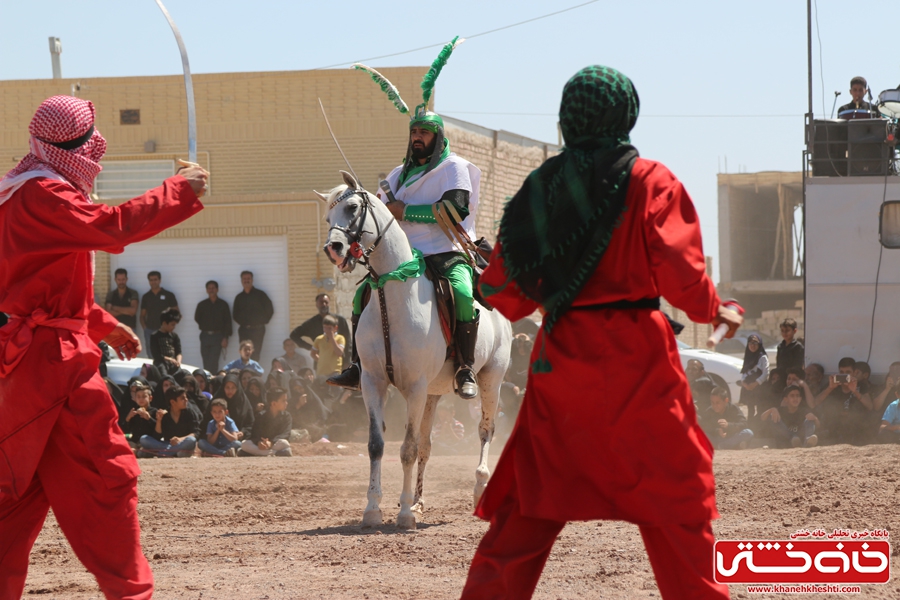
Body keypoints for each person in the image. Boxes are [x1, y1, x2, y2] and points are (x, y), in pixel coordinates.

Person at [460, 66, 740, 600]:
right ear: (626, 114)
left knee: (527, 512)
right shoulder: (652, 181)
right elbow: (684, 279)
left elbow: (502, 295)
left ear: (566, 118)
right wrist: (717, 309)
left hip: (561, 361)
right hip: (640, 361)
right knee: (677, 505)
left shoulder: (540, 188)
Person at [0, 94, 207, 599]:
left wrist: (101, 322)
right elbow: (110, 228)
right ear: (79, 146)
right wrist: (180, 190)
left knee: (10, 502)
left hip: (16, 374)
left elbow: (32, 285)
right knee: (107, 483)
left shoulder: (12, 193)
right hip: (55, 370)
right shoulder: (44, 195)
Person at [332, 39, 482, 399]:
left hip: (445, 251)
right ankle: (356, 366)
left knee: (462, 294)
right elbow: (377, 220)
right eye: (414, 132)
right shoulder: (398, 174)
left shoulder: (454, 168)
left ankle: (464, 367)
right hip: (406, 257)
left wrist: (405, 211)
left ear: (438, 137)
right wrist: (354, 247)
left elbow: (455, 209)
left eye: (424, 132)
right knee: (360, 297)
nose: (417, 137)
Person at [139, 385, 199, 458]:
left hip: (183, 443)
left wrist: (180, 439)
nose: (186, 400)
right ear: (173, 402)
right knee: (144, 439)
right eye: (182, 398)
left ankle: (164, 453)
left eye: (186, 397)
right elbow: (157, 436)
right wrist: (159, 420)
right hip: (167, 444)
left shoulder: (189, 412)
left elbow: (195, 433)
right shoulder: (165, 414)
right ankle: (171, 452)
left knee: (191, 440)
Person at [290, 293, 351, 364]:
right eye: (321, 302)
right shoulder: (312, 323)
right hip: (321, 362)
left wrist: (348, 360)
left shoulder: (340, 320)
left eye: (326, 302)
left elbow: (348, 341)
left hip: (339, 362)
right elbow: (294, 335)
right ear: (316, 305)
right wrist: (311, 348)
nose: (324, 304)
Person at [232, 271, 273, 362]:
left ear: (252, 280)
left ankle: (254, 375)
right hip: (244, 330)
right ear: (241, 281)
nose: (246, 281)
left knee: (255, 354)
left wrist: (262, 321)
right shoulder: (239, 297)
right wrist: (244, 323)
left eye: (248, 279)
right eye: (244, 279)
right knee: (244, 354)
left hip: (258, 330)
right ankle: (245, 375)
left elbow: (270, 309)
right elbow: (235, 314)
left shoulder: (260, 295)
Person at [194, 280, 232, 374]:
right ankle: (206, 381)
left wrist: (225, 337)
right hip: (205, 336)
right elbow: (197, 318)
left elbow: (228, 322)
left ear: (217, 289)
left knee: (213, 362)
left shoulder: (223, 305)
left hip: (217, 336)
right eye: (209, 288)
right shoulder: (202, 305)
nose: (211, 290)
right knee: (206, 362)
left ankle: (213, 382)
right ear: (206, 290)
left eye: (213, 288)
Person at [241, 388, 293, 457]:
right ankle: (275, 453)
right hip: (262, 446)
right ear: (274, 403)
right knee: (244, 444)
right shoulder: (261, 416)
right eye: (284, 401)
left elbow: (285, 434)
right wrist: (259, 442)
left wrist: (271, 442)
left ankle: (256, 453)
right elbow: (255, 434)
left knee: (284, 443)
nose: (286, 403)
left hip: (275, 444)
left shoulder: (286, 416)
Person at [203, 372, 255, 441]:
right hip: (216, 439)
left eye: (233, 388)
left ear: (237, 388)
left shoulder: (243, 403)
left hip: (237, 440)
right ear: (223, 388)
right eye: (227, 387)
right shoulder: (217, 402)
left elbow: (250, 423)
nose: (230, 391)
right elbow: (206, 421)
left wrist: (243, 432)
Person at [140, 271, 178, 356]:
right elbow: (142, 315)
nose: (153, 282)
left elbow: (176, 313)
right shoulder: (146, 297)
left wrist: (170, 327)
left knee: (167, 354)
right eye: (151, 280)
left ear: (160, 280)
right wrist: (145, 328)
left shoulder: (168, 295)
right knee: (151, 354)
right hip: (150, 331)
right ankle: (152, 369)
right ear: (149, 281)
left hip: (165, 330)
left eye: (155, 279)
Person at [737, 334, 768, 423]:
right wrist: (744, 383)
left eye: (755, 343)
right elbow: (744, 372)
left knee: (759, 407)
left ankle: (759, 427)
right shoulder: (747, 357)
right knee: (750, 408)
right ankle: (750, 425)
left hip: (759, 387)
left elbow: (766, 373)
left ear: (760, 344)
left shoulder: (762, 357)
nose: (752, 345)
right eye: (750, 343)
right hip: (748, 387)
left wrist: (755, 383)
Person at [121, 381, 157, 454]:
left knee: (142, 452)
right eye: (138, 397)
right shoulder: (134, 411)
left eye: (144, 396)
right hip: (134, 442)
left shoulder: (154, 411)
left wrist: (149, 418)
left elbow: (158, 430)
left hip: (147, 442)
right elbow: (125, 430)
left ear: (150, 398)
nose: (141, 399)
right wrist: (128, 419)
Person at [149, 307, 183, 376]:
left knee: (183, 374)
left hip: (173, 363)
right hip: (161, 363)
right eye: (172, 325)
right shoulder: (155, 336)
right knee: (164, 375)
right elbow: (156, 355)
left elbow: (178, 352)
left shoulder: (174, 336)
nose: (174, 327)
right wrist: (169, 359)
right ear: (164, 323)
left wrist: (178, 361)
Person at [311, 314, 345, 380]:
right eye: (325, 328)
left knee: (335, 389)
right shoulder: (319, 339)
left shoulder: (340, 338)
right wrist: (321, 360)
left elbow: (339, 353)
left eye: (329, 328)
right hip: (321, 372)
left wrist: (332, 338)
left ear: (335, 328)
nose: (326, 330)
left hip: (335, 372)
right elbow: (313, 353)